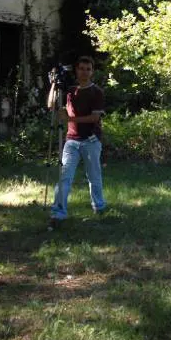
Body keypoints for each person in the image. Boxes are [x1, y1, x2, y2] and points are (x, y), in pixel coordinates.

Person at [49, 56, 107, 230]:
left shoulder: (96, 92)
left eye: (88, 69)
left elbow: (94, 118)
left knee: (93, 176)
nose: (84, 72)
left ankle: (99, 206)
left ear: (92, 72)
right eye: (81, 68)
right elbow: (51, 105)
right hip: (71, 140)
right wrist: (54, 84)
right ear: (76, 70)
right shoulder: (70, 91)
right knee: (64, 176)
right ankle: (58, 212)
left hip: (91, 140)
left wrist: (69, 119)